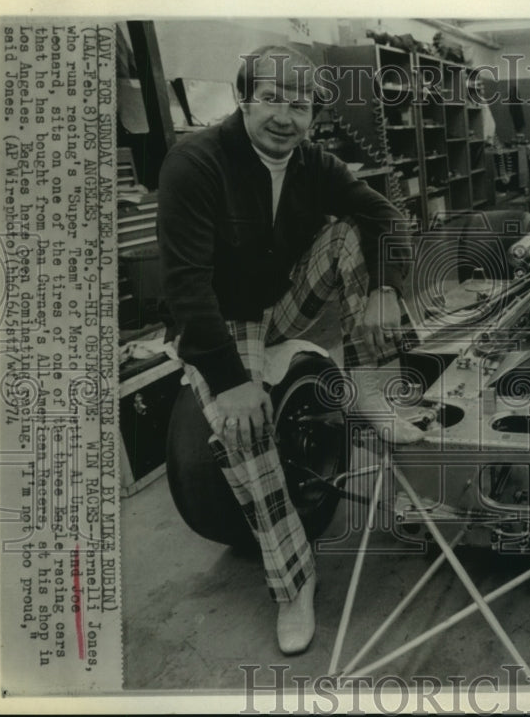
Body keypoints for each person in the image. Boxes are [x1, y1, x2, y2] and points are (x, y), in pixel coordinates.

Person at [157, 44, 423, 655]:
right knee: (244, 428)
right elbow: (186, 287)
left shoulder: (312, 162)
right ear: (243, 98)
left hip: (278, 305)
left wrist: (385, 286)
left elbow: (387, 216)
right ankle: (293, 585)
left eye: (300, 105)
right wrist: (229, 381)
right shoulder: (193, 163)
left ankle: (374, 400)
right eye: (272, 99)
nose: (286, 117)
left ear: (314, 115)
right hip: (220, 320)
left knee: (351, 237)